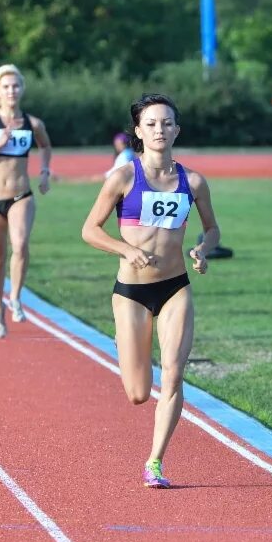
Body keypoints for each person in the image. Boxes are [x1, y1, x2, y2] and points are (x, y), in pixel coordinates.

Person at [80, 93, 220, 489]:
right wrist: (125, 248)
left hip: (175, 286)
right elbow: (89, 230)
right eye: (151, 123)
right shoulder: (124, 177)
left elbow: (212, 229)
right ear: (138, 132)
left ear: (177, 129)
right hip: (132, 291)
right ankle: (138, 382)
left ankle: (155, 462)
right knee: (138, 393)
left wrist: (202, 248)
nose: (160, 129)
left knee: (174, 374)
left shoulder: (192, 181)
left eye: (166, 123)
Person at [0, 64, 52, 338]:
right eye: (6, 86)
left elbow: (46, 145)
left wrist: (44, 170)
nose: (11, 91)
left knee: (20, 244)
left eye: (15, 85)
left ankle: (15, 297)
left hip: (20, 195)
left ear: (21, 89)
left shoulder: (32, 123)